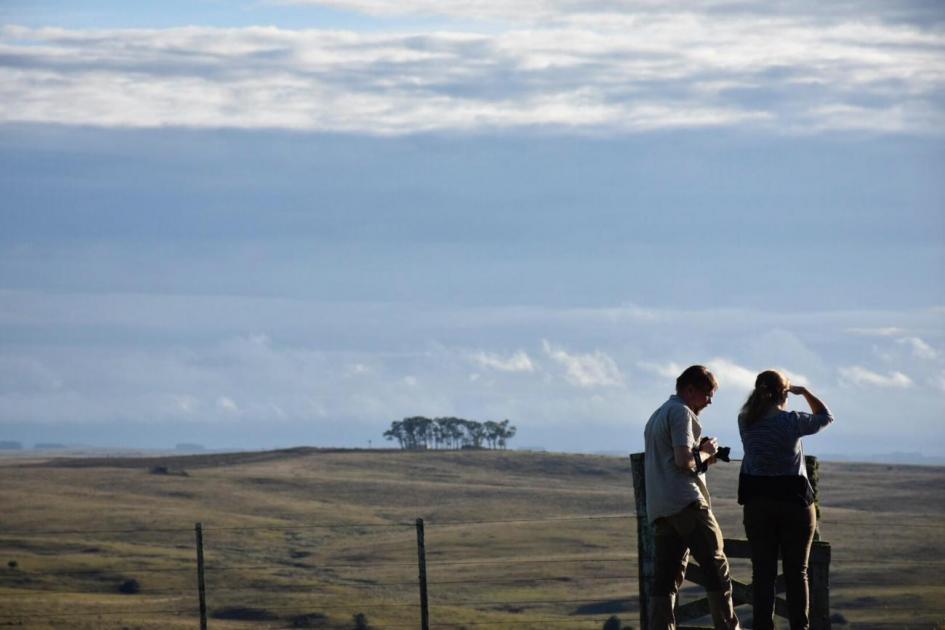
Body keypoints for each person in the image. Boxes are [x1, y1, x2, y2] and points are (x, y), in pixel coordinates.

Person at [644, 365, 741, 630]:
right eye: (707, 394)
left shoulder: (657, 415)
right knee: (716, 566)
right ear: (690, 389)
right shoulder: (681, 413)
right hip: (686, 503)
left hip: (662, 508)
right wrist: (708, 452)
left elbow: (672, 460)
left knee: (665, 579)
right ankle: (727, 627)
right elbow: (684, 460)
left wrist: (701, 457)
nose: (710, 401)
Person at [737, 370, 834, 630]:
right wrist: (804, 392)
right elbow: (825, 417)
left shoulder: (744, 420)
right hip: (794, 502)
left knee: (763, 574)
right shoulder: (791, 421)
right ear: (784, 393)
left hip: (757, 502)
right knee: (796, 572)